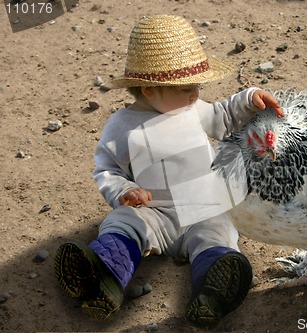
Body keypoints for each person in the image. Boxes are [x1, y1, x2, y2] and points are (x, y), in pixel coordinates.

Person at [54, 14, 283, 330]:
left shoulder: (192, 108)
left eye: (196, 87)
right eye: (186, 87)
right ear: (149, 89)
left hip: (202, 209)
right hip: (154, 214)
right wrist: (123, 191)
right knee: (122, 221)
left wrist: (248, 99)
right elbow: (106, 169)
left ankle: (213, 287)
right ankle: (104, 274)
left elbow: (224, 115)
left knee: (217, 230)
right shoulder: (122, 126)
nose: (195, 94)